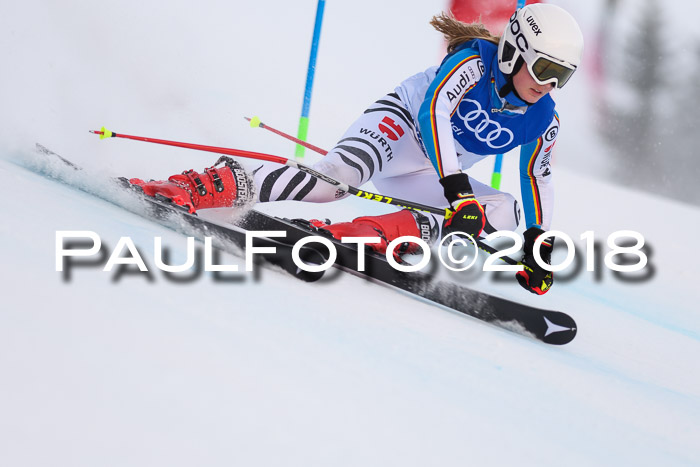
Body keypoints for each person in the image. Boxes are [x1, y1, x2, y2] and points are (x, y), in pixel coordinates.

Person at [130, 4, 584, 295]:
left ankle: (359, 235)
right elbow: (434, 116)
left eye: (561, 76)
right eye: (544, 67)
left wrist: (533, 241)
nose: (547, 84)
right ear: (516, 50)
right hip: (402, 126)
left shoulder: (544, 116)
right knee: (335, 183)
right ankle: (199, 186)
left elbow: (534, 177)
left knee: (502, 210)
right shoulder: (472, 61)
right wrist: (459, 193)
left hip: (431, 172)